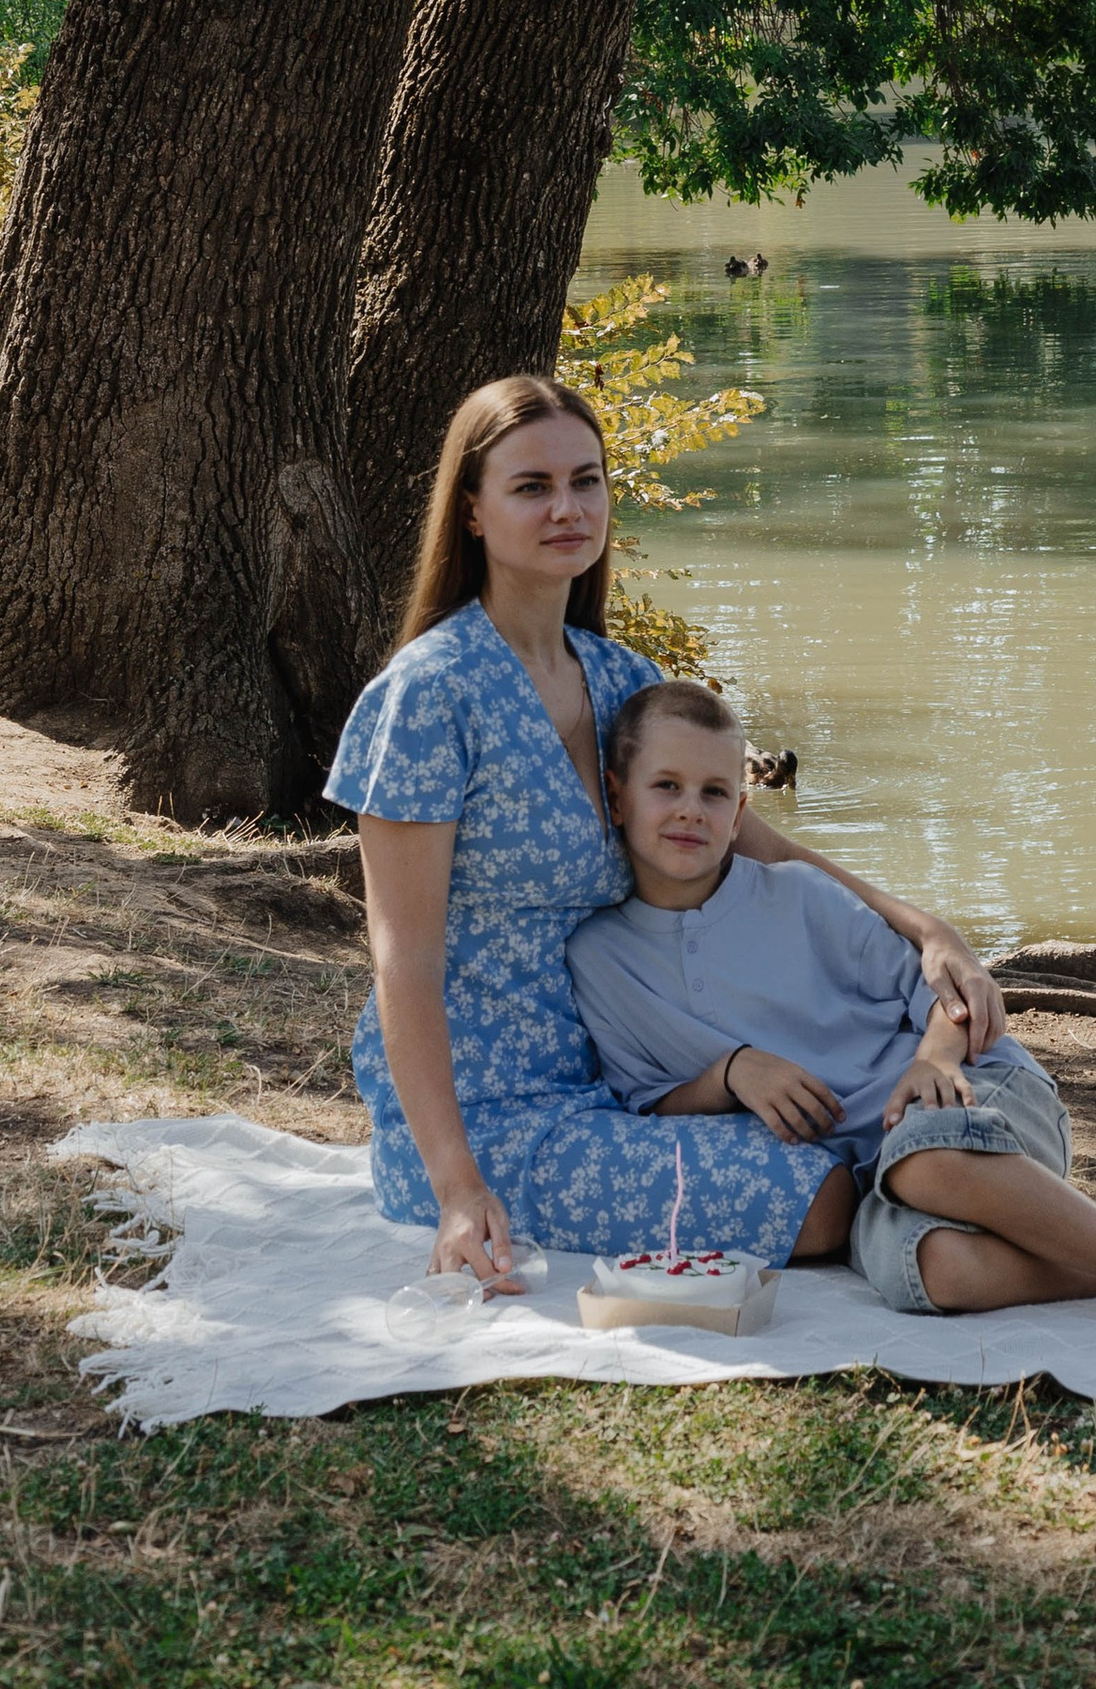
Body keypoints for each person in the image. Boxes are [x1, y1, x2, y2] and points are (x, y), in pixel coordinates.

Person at [329, 372, 1005, 1293]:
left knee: (868, 1144)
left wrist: (926, 930)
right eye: (532, 486)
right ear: (474, 512)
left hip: (638, 1081)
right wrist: (457, 1187)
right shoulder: (427, 695)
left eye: (587, 480)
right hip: (490, 1113)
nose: (567, 507)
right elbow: (402, 961)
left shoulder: (622, 680)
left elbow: (759, 844)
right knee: (821, 1196)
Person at [568, 679, 1096, 1356]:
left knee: (928, 1161)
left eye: (714, 792)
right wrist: (732, 1073)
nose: (690, 810)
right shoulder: (599, 958)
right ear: (616, 797)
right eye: (666, 786)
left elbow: (947, 994)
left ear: (741, 814)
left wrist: (933, 1058)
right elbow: (651, 1099)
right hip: (877, 1171)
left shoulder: (799, 897)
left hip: (978, 1093)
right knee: (937, 1270)